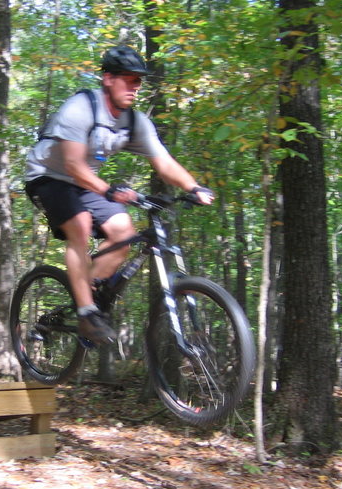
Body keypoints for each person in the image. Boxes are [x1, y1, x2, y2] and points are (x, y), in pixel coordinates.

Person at [25, 45, 214, 345]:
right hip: (47, 176)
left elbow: (163, 162)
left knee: (123, 232)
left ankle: (84, 294)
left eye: (138, 81)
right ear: (108, 79)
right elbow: (73, 165)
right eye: (128, 79)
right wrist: (109, 190)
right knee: (81, 224)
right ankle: (86, 311)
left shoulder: (135, 123)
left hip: (82, 182)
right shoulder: (81, 109)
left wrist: (193, 187)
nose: (135, 87)